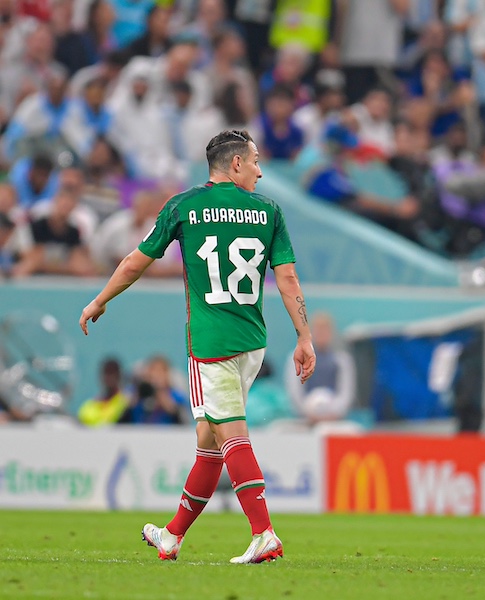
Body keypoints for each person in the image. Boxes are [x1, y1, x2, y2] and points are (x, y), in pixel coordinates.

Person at [78, 129, 316, 564]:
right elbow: (287, 279)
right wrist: (304, 336)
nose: (262, 172)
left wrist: (100, 300)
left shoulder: (184, 206)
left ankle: (263, 532)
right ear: (236, 164)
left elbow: (135, 262)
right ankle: (172, 536)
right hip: (252, 345)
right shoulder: (268, 212)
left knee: (231, 438)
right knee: (209, 440)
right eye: (256, 161)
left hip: (211, 345)